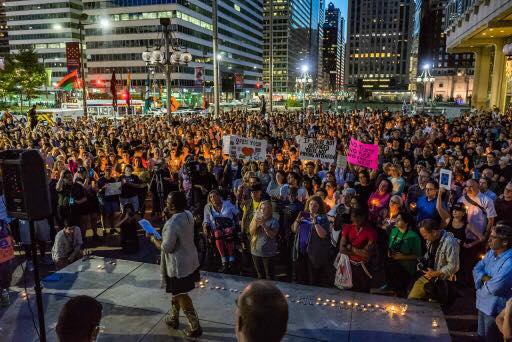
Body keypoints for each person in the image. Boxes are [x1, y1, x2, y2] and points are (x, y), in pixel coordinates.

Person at [148, 191, 202, 338]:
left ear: (171, 205)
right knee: (175, 292)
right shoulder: (187, 214)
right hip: (190, 259)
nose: (165, 203)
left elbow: (167, 247)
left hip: (178, 266)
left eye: (167, 201)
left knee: (181, 294)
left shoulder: (172, 223)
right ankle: (174, 318)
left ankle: (195, 326)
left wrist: (153, 239)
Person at [473, 224, 512, 342]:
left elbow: (497, 287)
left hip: (494, 309)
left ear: (504, 242)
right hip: (482, 304)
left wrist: (482, 278)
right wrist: (487, 278)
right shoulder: (491, 253)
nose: (489, 239)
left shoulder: (509, 261)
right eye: (490, 235)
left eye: (494, 237)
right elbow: (476, 269)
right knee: (481, 337)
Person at [408, 219, 460, 301]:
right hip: (428, 276)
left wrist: (435, 273)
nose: (424, 238)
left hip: (442, 281)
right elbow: (429, 255)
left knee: (433, 309)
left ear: (434, 232)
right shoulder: (430, 240)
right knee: (411, 300)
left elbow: (453, 266)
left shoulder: (450, 243)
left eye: (425, 235)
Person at [377, 211, 422, 297]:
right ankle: (390, 285)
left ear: (406, 222)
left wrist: (403, 257)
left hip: (405, 267)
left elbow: (418, 256)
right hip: (392, 263)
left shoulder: (414, 237)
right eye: (396, 219)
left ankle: (398, 291)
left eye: (399, 219)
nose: (396, 221)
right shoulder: (394, 231)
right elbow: (390, 246)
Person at [291, 195, 330, 286]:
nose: (312, 207)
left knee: (313, 280)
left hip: (313, 254)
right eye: (311, 204)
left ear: (319, 207)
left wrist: (315, 222)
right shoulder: (304, 215)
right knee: (301, 279)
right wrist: (297, 220)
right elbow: (294, 229)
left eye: (315, 205)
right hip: (300, 252)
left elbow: (323, 235)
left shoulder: (323, 218)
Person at [340, 207, 377, 292]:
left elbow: (366, 254)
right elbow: (342, 249)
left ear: (363, 217)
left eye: (359, 217)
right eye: (354, 217)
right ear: (351, 217)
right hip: (349, 266)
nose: (356, 219)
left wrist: (351, 248)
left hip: (364, 267)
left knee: (363, 292)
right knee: (348, 292)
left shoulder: (371, 231)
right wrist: (359, 252)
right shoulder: (347, 228)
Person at [202, 190, 239, 272]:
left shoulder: (227, 204)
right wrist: (205, 227)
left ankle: (231, 258)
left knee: (228, 231)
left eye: (214, 196)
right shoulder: (208, 207)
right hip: (215, 229)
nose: (213, 198)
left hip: (229, 227)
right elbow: (206, 220)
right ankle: (224, 260)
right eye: (211, 197)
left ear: (219, 196)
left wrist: (237, 223)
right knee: (217, 233)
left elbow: (237, 213)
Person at [249, 200, 279, 280]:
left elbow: (272, 235)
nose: (263, 210)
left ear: (269, 210)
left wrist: (263, 224)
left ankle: (270, 292)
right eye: (261, 208)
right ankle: (261, 292)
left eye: (265, 208)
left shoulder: (274, 221)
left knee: (269, 277)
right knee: (260, 276)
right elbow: (251, 233)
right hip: (255, 251)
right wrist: (255, 223)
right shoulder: (255, 219)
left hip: (268, 253)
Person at [0, 221, 14, 307]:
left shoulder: (3, 223)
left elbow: (10, 237)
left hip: (6, 259)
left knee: (6, 279)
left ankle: (5, 295)